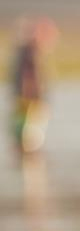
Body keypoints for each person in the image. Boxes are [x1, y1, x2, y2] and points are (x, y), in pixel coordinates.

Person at [10, 17, 56, 154]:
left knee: (24, 133)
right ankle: (25, 156)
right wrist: (35, 97)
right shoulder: (30, 52)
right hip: (29, 99)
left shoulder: (27, 51)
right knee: (28, 135)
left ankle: (23, 155)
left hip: (26, 98)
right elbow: (28, 77)